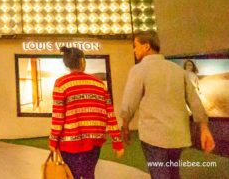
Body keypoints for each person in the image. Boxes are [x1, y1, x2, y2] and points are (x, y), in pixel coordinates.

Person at [120, 32, 215, 179]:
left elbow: (129, 102)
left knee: (159, 175)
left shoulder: (139, 70)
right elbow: (194, 101)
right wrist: (204, 128)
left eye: (135, 46)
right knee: (173, 173)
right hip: (178, 137)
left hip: (153, 137)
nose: (134, 50)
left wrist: (125, 126)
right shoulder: (178, 70)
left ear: (146, 46)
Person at [49, 46, 123, 179]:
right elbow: (110, 115)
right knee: (89, 174)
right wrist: (117, 142)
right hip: (94, 142)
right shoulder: (99, 84)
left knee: (72, 175)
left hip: (69, 143)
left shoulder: (61, 83)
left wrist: (53, 142)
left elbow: (58, 117)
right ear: (83, 61)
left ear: (67, 64)